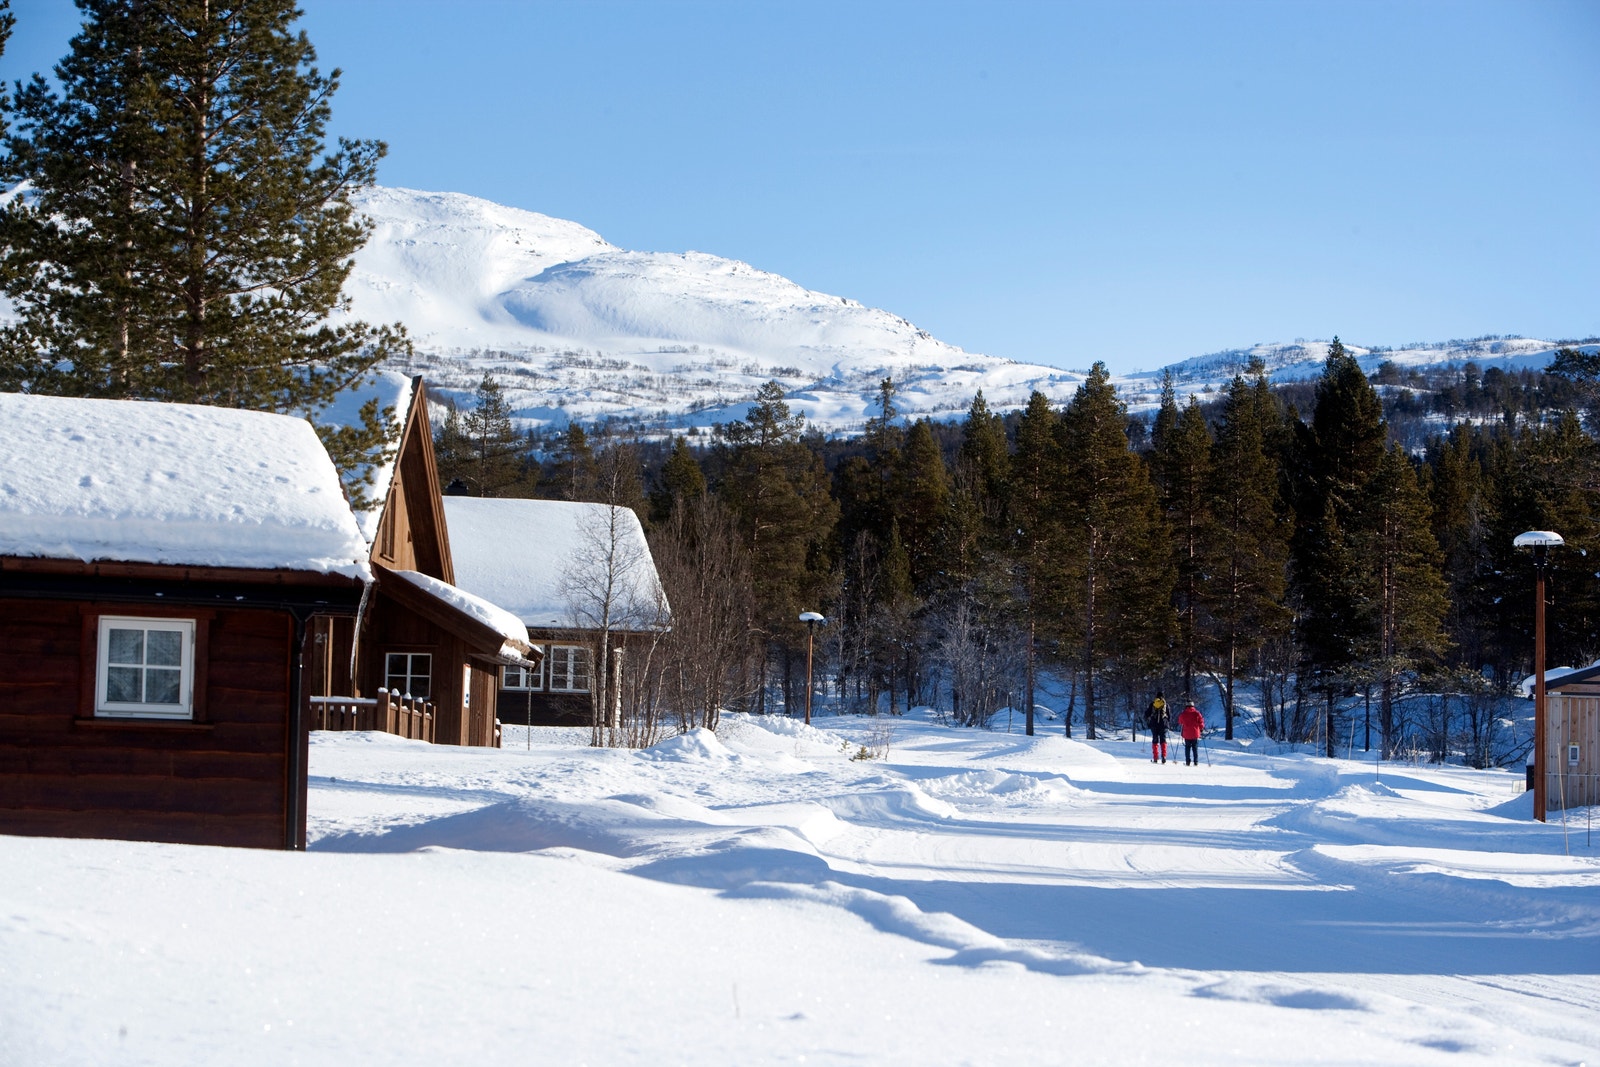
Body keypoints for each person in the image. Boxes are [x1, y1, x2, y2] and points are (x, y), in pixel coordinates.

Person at [1143, 692, 1169, 764]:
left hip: (1154, 724)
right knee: (1163, 740)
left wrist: (1147, 720)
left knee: (1155, 740)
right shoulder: (1165, 704)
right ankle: (1163, 756)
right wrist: (1167, 722)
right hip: (1163, 724)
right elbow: (1169, 715)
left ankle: (1155, 757)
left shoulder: (1153, 704)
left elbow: (1147, 714)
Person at [1179, 701, 1205, 766]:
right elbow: (1201, 722)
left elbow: (1180, 722)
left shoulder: (1183, 713)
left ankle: (1188, 762)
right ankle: (1196, 762)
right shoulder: (1197, 713)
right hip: (1195, 733)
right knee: (1195, 748)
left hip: (1187, 733)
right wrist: (1201, 729)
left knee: (1187, 748)